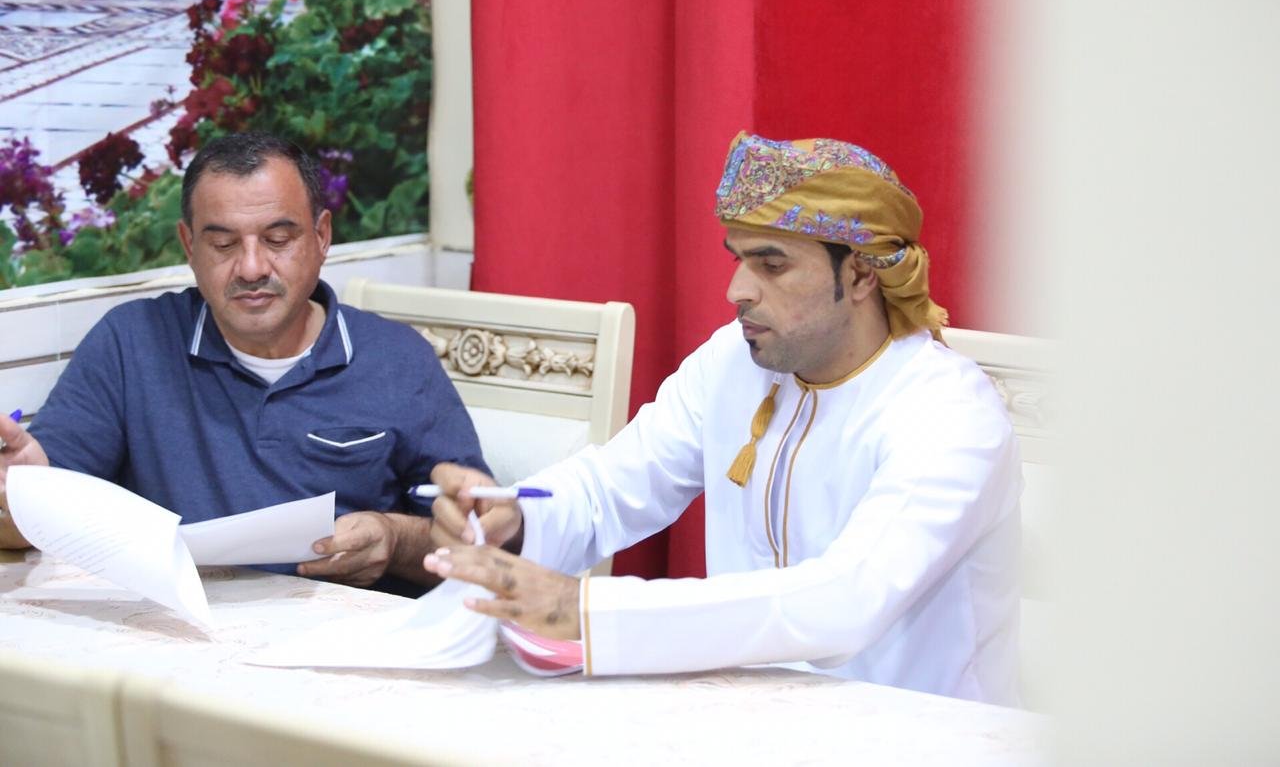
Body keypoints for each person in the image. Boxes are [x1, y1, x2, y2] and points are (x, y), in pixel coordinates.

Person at [423, 133, 1023, 704]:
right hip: (742, 720)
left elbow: (845, 600)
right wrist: (516, 517)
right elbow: (613, 485)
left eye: (772, 265)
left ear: (861, 274)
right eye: (738, 259)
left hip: (915, 738)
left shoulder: (948, 413)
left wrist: (583, 612)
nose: (737, 289)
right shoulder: (733, 361)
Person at [0, 132, 488, 597]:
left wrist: (395, 540)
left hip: (355, 633)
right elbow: (29, 524)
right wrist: (15, 497)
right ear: (189, 246)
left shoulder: (396, 359)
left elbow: (484, 543)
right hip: (174, 631)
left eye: (278, 239)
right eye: (223, 244)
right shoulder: (131, 343)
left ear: (321, 237)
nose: (252, 268)